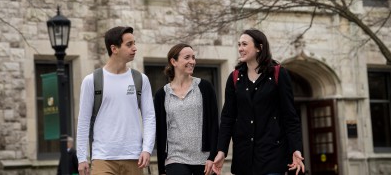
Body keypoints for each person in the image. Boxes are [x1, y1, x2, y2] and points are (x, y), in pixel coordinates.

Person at [212, 29, 305, 175]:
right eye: (239, 45)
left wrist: (296, 148)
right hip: (244, 157)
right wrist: (221, 150)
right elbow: (227, 118)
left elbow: (290, 117)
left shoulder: (278, 74)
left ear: (259, 47)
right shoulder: (235, 78)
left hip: (273, 155)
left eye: (244, 44)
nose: (240, 49)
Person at [76, 26, 156, 175]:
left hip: (134, 158)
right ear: (114, 48)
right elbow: (83, 121)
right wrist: (81, 157)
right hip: (103, 159)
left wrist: (147, 149)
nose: (134, 48)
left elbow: (150, 117)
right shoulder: (92, 81)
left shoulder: (140, 80)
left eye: (134, 43)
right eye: (129, 44)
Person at [154, 43, 219, 175]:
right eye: (187, 57)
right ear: (174, 61)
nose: (192, 61)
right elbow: (160, 131)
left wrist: (213, 157)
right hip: (175, 158)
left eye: (193, 57)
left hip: (203, 159)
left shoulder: (205, 87)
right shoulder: (162, 94)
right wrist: (161, 169)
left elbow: (214, 124)